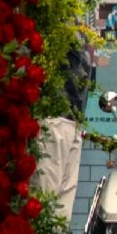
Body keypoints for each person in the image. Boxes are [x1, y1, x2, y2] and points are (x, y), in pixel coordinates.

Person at [32, 38, 92, 222]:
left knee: (61, 210)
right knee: (45, 202)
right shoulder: (57, 22)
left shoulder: (78, 28)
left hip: (71, 118)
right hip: (53, 117)